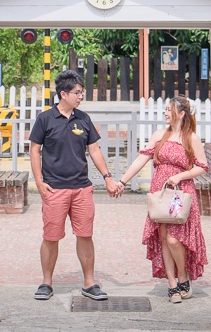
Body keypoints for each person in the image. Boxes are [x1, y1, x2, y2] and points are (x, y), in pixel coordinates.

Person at [29, 69, 123, 301]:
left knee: (85, 235)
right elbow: (34, 150)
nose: (81, 96)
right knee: (51, 236)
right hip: (54, 189)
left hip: (81, 188)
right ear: (63, 93)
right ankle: (46, 283)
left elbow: (94, 150)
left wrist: (107, 177)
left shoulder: (83, 119)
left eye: (82, 92)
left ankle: (89, 283)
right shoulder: (45, 119)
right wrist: (39, 182)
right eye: (77, 92)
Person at [117, 95, 209, 304]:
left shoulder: (191, 138)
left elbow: (202, 166)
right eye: (166, 109)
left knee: (174, 239)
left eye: (170, 110)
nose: (166, 113)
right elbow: (142, 159)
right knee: (163, 237)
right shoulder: (159, 135)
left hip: (179, 193)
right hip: (160, 192)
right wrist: (122, 181)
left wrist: (180, 175)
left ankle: (183, 276)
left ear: (182, 113)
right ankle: (171, 284)